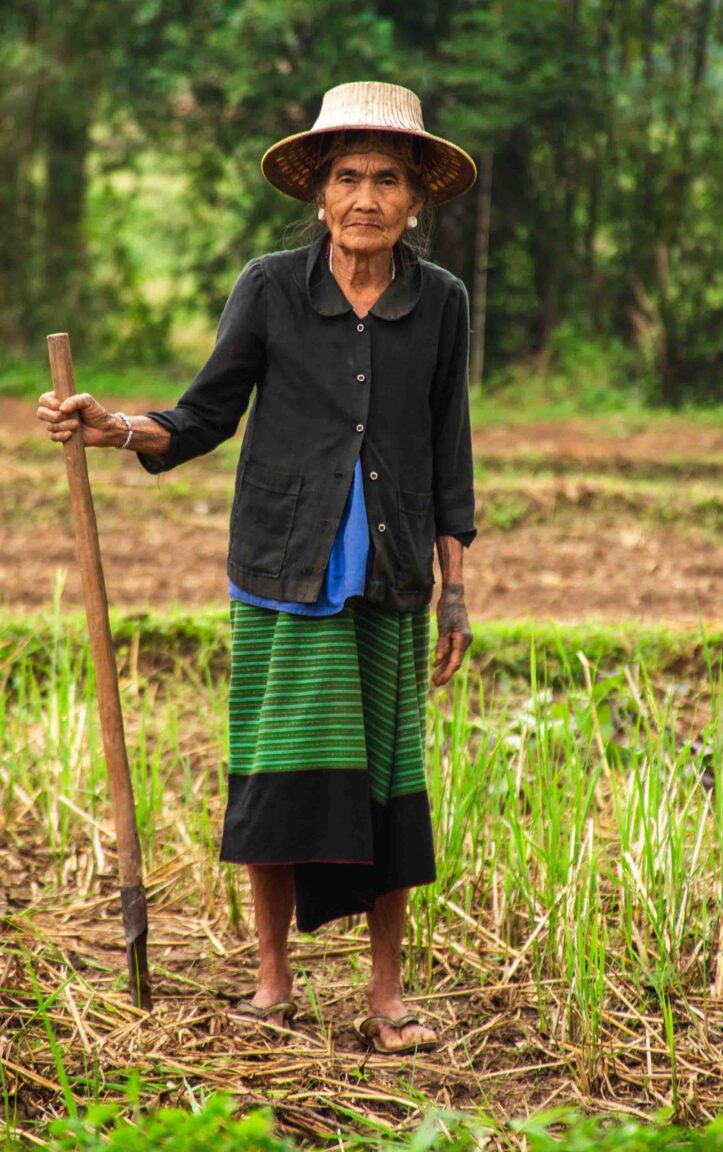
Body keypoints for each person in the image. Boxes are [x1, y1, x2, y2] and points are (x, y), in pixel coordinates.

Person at [37, 81, 476, 1055]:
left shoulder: (440, 301)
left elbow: (451, 450)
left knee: (391, 788)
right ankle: (273, 984)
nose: (366, 197)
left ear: (415, 201)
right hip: (284, 571)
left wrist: (459, 593)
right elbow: (204, 414)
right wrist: (115, 429)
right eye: (349, 177)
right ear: (319, 193)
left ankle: (385, 995)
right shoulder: (271, 289)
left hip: (396, 577)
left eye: (388, 180)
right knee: (276, 781)